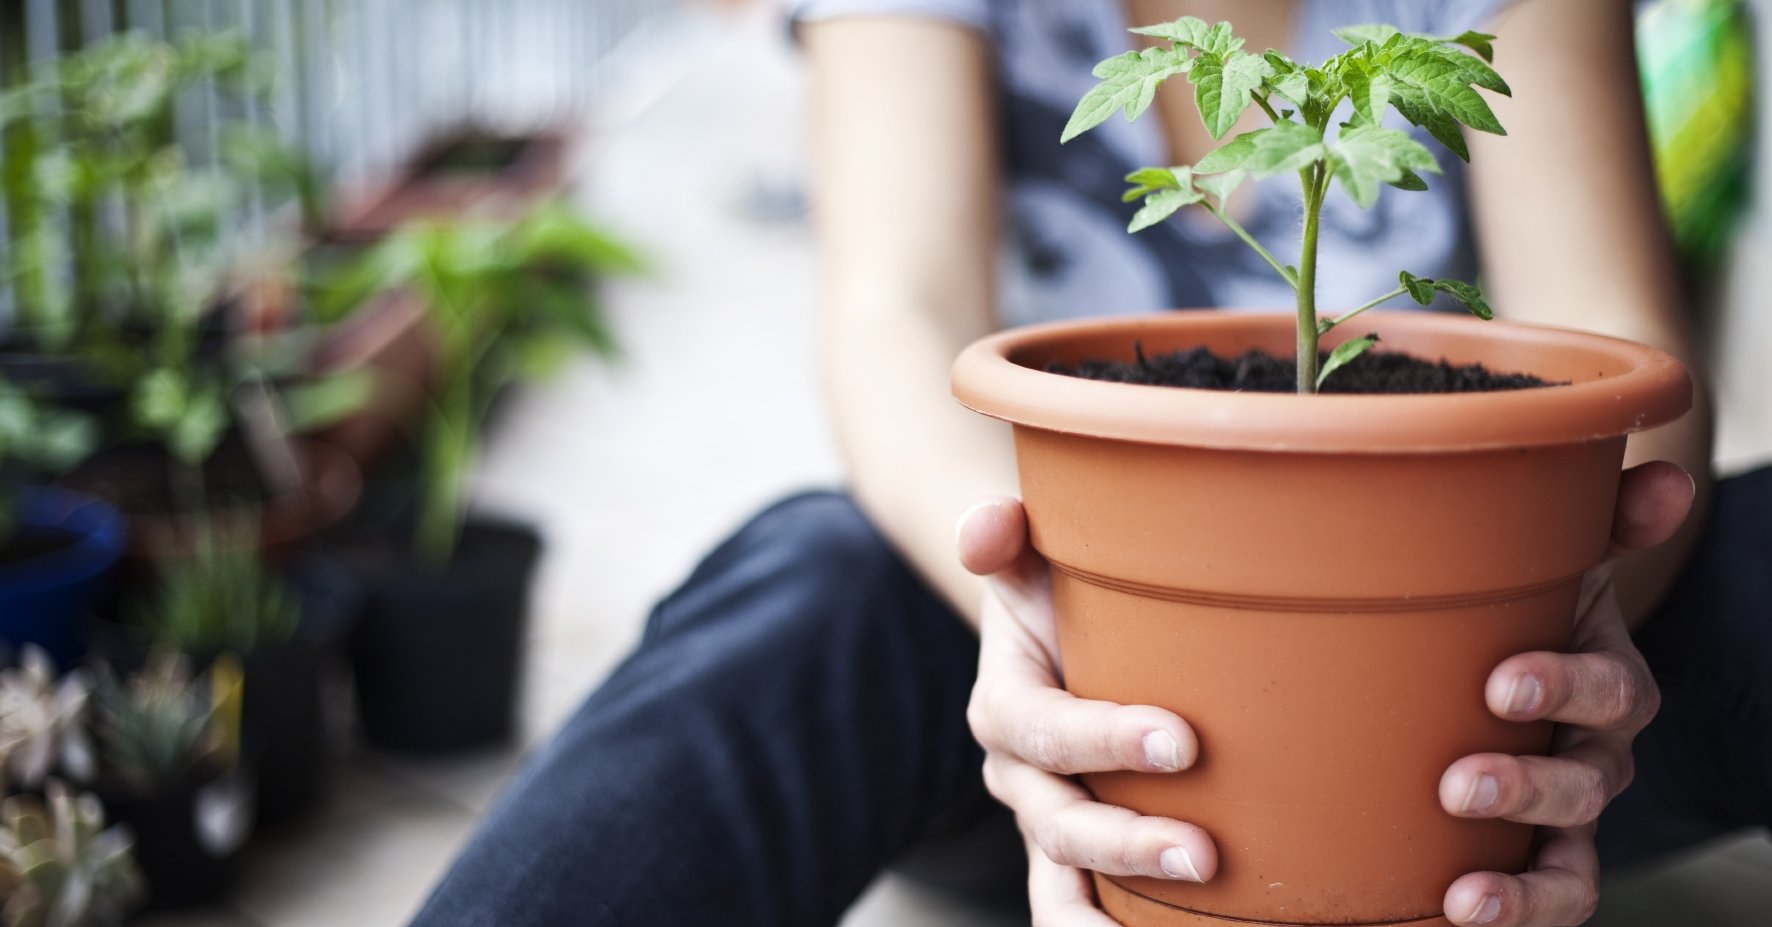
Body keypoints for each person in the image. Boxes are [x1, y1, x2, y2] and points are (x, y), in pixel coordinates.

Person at [410, 2, 1755, 925]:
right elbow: (896, 315)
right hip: (1070, 740)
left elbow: (1620, 365)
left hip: (1489, 715)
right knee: (814, 575)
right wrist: (1045, 634)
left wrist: (1565, 653)